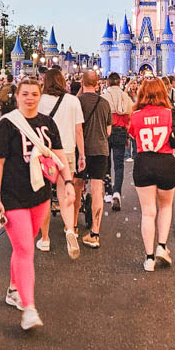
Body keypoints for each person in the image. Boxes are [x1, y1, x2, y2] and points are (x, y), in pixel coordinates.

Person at [0, 75, 77, 329]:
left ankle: (14, 288)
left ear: (40, 96)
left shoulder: (47, 124)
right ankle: (29, 308)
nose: (29, 98)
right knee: (26, 248)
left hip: (40, 196)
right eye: (24, 94)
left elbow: (59, 155)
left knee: (22, 248)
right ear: (16, 97)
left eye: (34, 94)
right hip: (12, 196)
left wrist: (68, 183)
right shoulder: (6, 125)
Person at [128, 77, 175, 271]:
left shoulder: (136, 115)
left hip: (143, 162)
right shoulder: (171, 114)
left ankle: (149, 258)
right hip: (165, 162)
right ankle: (162, 246)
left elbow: (133, 135)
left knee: (147, 212)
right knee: (166, 206)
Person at [37, 67, 83, 255]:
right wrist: (82, 155)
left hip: (46, 153)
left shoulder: (39, 101)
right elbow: (78, 130)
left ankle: (45, 238)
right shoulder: (73, 101)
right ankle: (70, 229)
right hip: (68, 152)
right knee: (66, 194)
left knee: (45, 197)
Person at [73, 69, 112, 249]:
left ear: (82, 82)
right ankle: (95, 233)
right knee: (97, 189)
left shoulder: (76, 102)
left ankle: (72, 226)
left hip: (81, 151)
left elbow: (76, 129)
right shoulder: (104, 103)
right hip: (101, 150)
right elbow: (109, 131)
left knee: (77, 186)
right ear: (98, 84)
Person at [102, 71, 134, 211]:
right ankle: (117, 193)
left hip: (106, 132)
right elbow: (130, 117)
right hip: (120, 132)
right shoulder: (125, 97)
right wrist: (127, 135)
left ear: (108, 82)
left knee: (106, 163)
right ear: (120, 82)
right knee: (119, 165)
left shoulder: (103, 97)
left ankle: (108, 191)